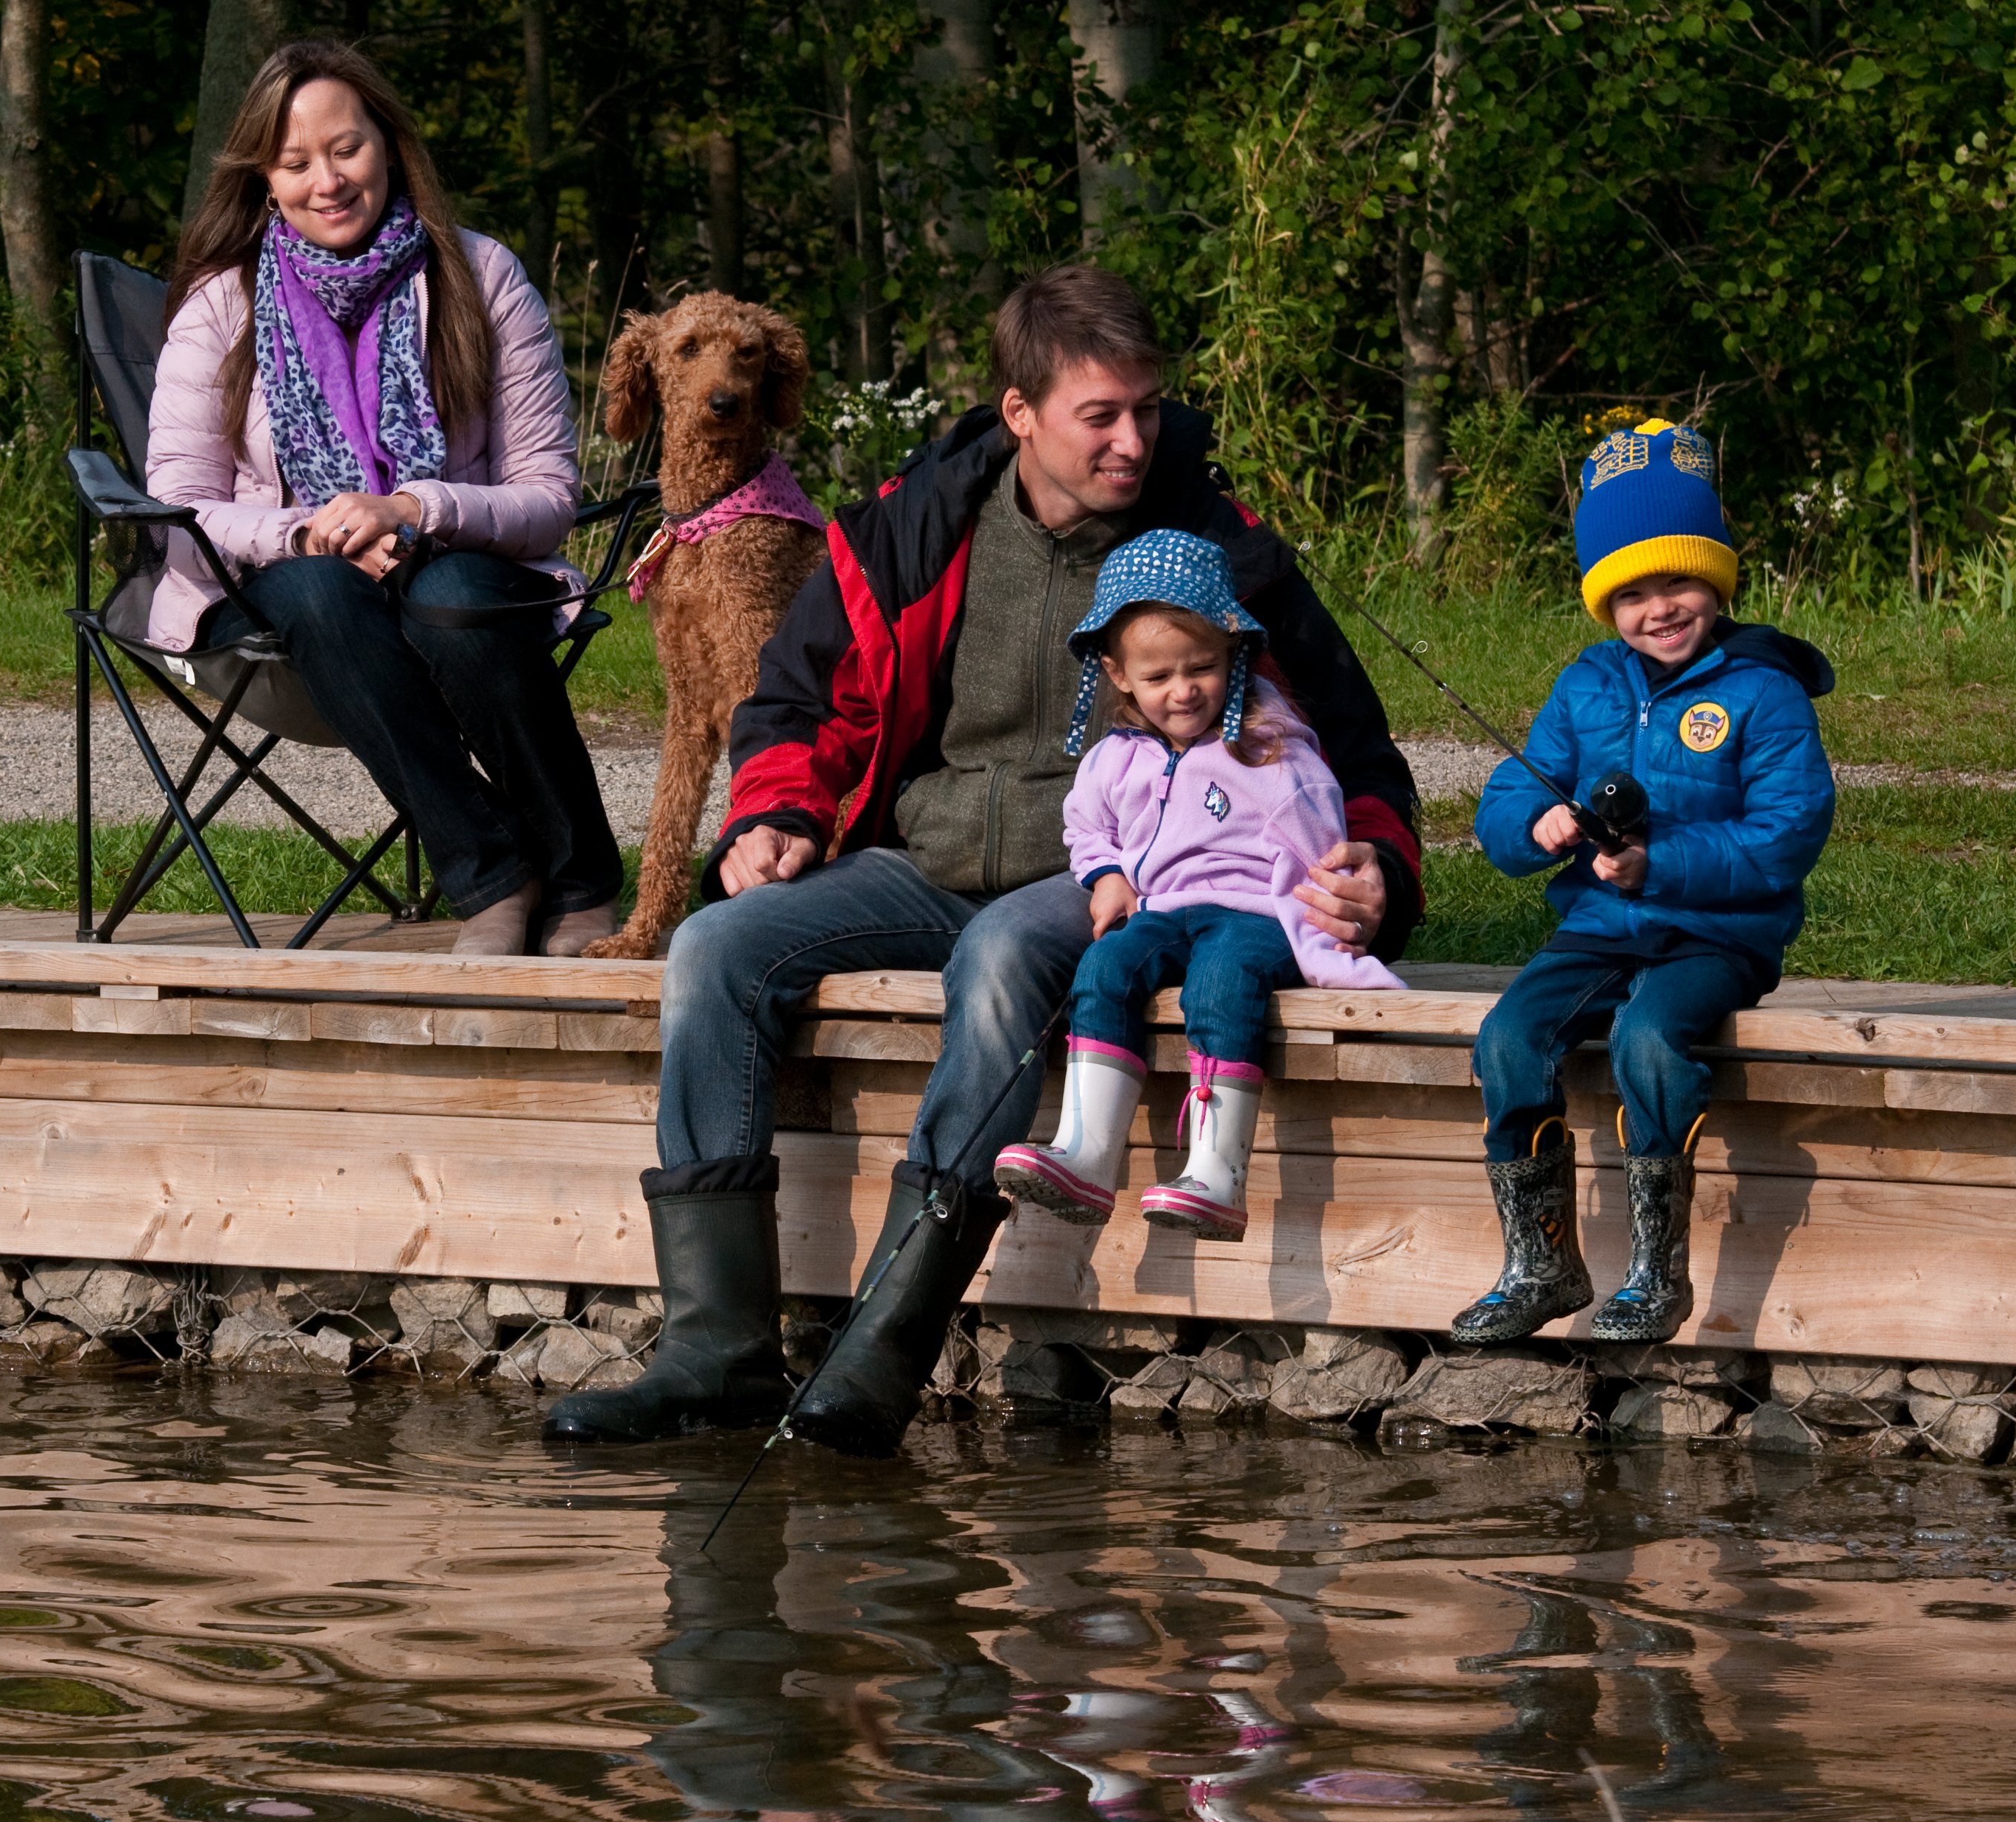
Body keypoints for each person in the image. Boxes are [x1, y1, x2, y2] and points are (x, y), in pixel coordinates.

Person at [543, 265, 1426, 1457]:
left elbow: (1358, 747)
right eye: (1097, 416)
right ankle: (714, 1354)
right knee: (712, 948)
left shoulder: (1214, 549)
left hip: (1111, 875)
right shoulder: (911, 526)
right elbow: (792, 701)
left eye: (1145, 410)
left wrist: (1371, 863)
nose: (1131, 439)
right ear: (1019, 414)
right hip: (917, 856)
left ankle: (880, 1355)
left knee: (1006, 951)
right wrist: (777, 816)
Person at [146, 38, 623, 956]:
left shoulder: (482, 278)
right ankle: (494, 874)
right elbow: (180, 506)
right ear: (265, 180)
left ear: (390, 146)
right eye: (294, 163)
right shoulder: (221, 303)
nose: (325, 180)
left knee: (454, 599)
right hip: (288, 592)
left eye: (345, 149)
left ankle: (580, 881)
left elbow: (546, 495)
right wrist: (312, 530)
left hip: (460, 571)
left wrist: (410, 508)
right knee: (327, 594)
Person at [1451, 418, 1833, 1347]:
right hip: (1597, 923)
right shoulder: (1585, 684)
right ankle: (1540, 1263)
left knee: (1649, 1038)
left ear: (1717, 578)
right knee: (1506, 1037)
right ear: (1603, 603)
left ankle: (1655, 1274)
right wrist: (1538, 827)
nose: (1657, 607)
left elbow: (1786, 836)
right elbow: (1506, 802)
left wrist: (1659, 862)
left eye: (1678, 581)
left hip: (1715, 934)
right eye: (1630, 592)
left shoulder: (1762, 691)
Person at [992, 530, 1404, 1243]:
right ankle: (1087, 1151)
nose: (1183, 691)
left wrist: (1328, 916)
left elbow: (1318, 830)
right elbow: (1084, 826)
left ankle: (1217, 1170)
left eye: (1201, 668)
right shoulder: (1115, 758)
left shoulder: (1268, 745)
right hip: (1162, 907)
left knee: (1218, 982)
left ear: (1233, 655)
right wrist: (1107, 877)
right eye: (1158, 678)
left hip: (1252, 914)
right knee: (1106, 966)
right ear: (1118, 675)